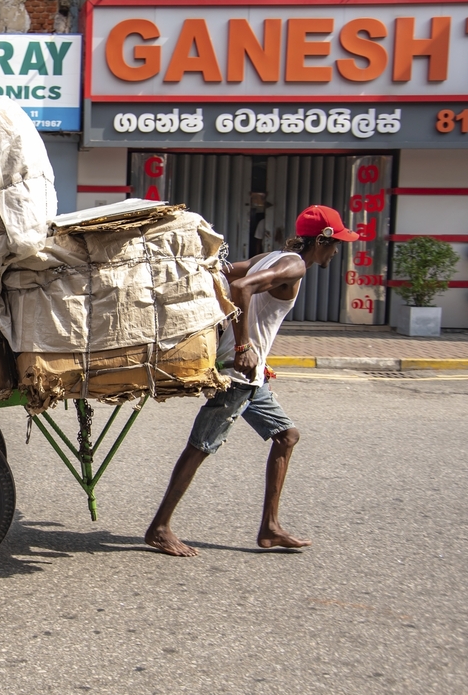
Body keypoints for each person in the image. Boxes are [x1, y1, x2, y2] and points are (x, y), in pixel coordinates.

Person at [144, 204, 359, 557]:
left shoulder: (274, 257)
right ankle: (159, 527)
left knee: (286, 436)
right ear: (322, 240)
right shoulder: (294, 265)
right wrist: (242, 345)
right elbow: (241, 286)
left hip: (251, 376)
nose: (337, 252)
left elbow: (225, 275)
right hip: (238, 372)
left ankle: (270, 528)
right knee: (200, 446)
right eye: (336, 244)